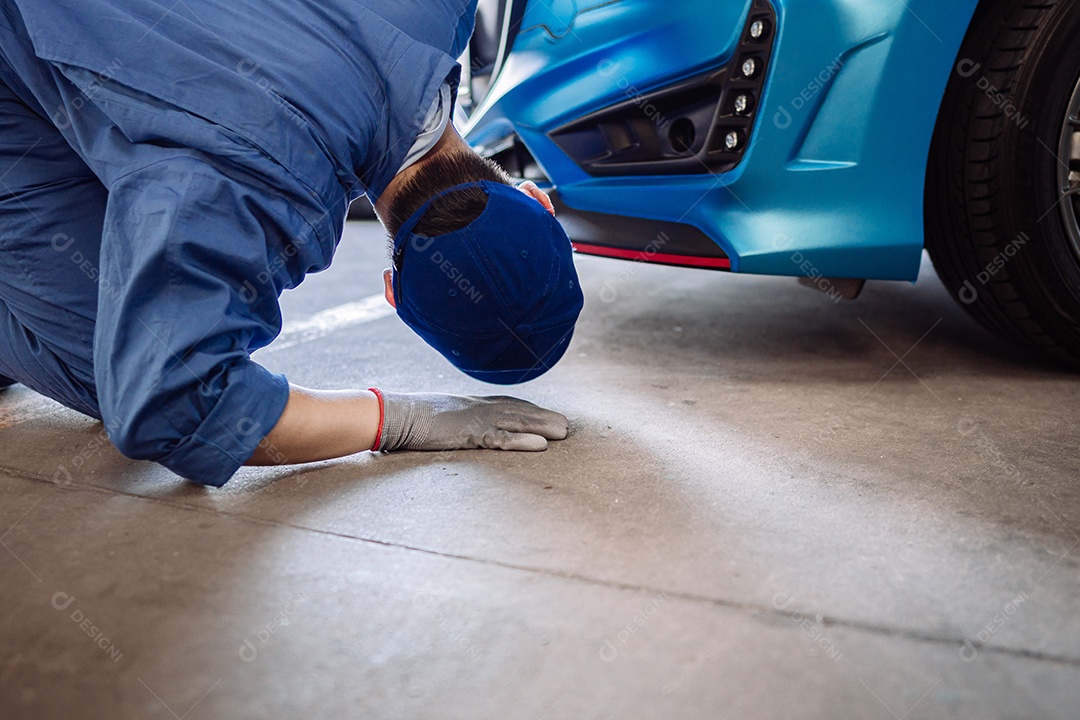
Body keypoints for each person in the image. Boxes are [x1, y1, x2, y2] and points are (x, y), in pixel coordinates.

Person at [0, 0, 584, 486]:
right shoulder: (255, 188)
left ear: (536, 197)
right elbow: (170, 405)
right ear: (393, 294)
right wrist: (400, 419)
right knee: (114, 366)